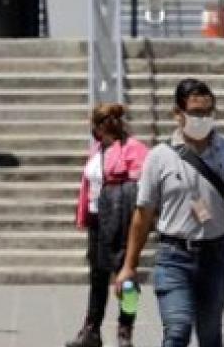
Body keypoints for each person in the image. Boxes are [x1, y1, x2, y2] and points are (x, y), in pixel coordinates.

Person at [114, 79, 224, 347]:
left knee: (210, 335)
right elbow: (143, 214)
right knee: (177, 330)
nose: (203, 118)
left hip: (217, 256)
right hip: (174, 257)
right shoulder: (158, 157)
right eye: (195, 112)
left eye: (208, 112)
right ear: (177, 113)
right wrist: (129, 266)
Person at [67, 103, 149, 347]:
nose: (104, 127)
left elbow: (141, 187)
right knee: (98, 277)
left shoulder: (134, 148)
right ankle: (91, 330)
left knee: (128, 280)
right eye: (100, 122)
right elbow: (88, 186)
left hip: (123, 223)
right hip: (97, 220)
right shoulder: (96, 149)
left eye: (108, 121)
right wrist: (83, 215)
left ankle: (126, 330)